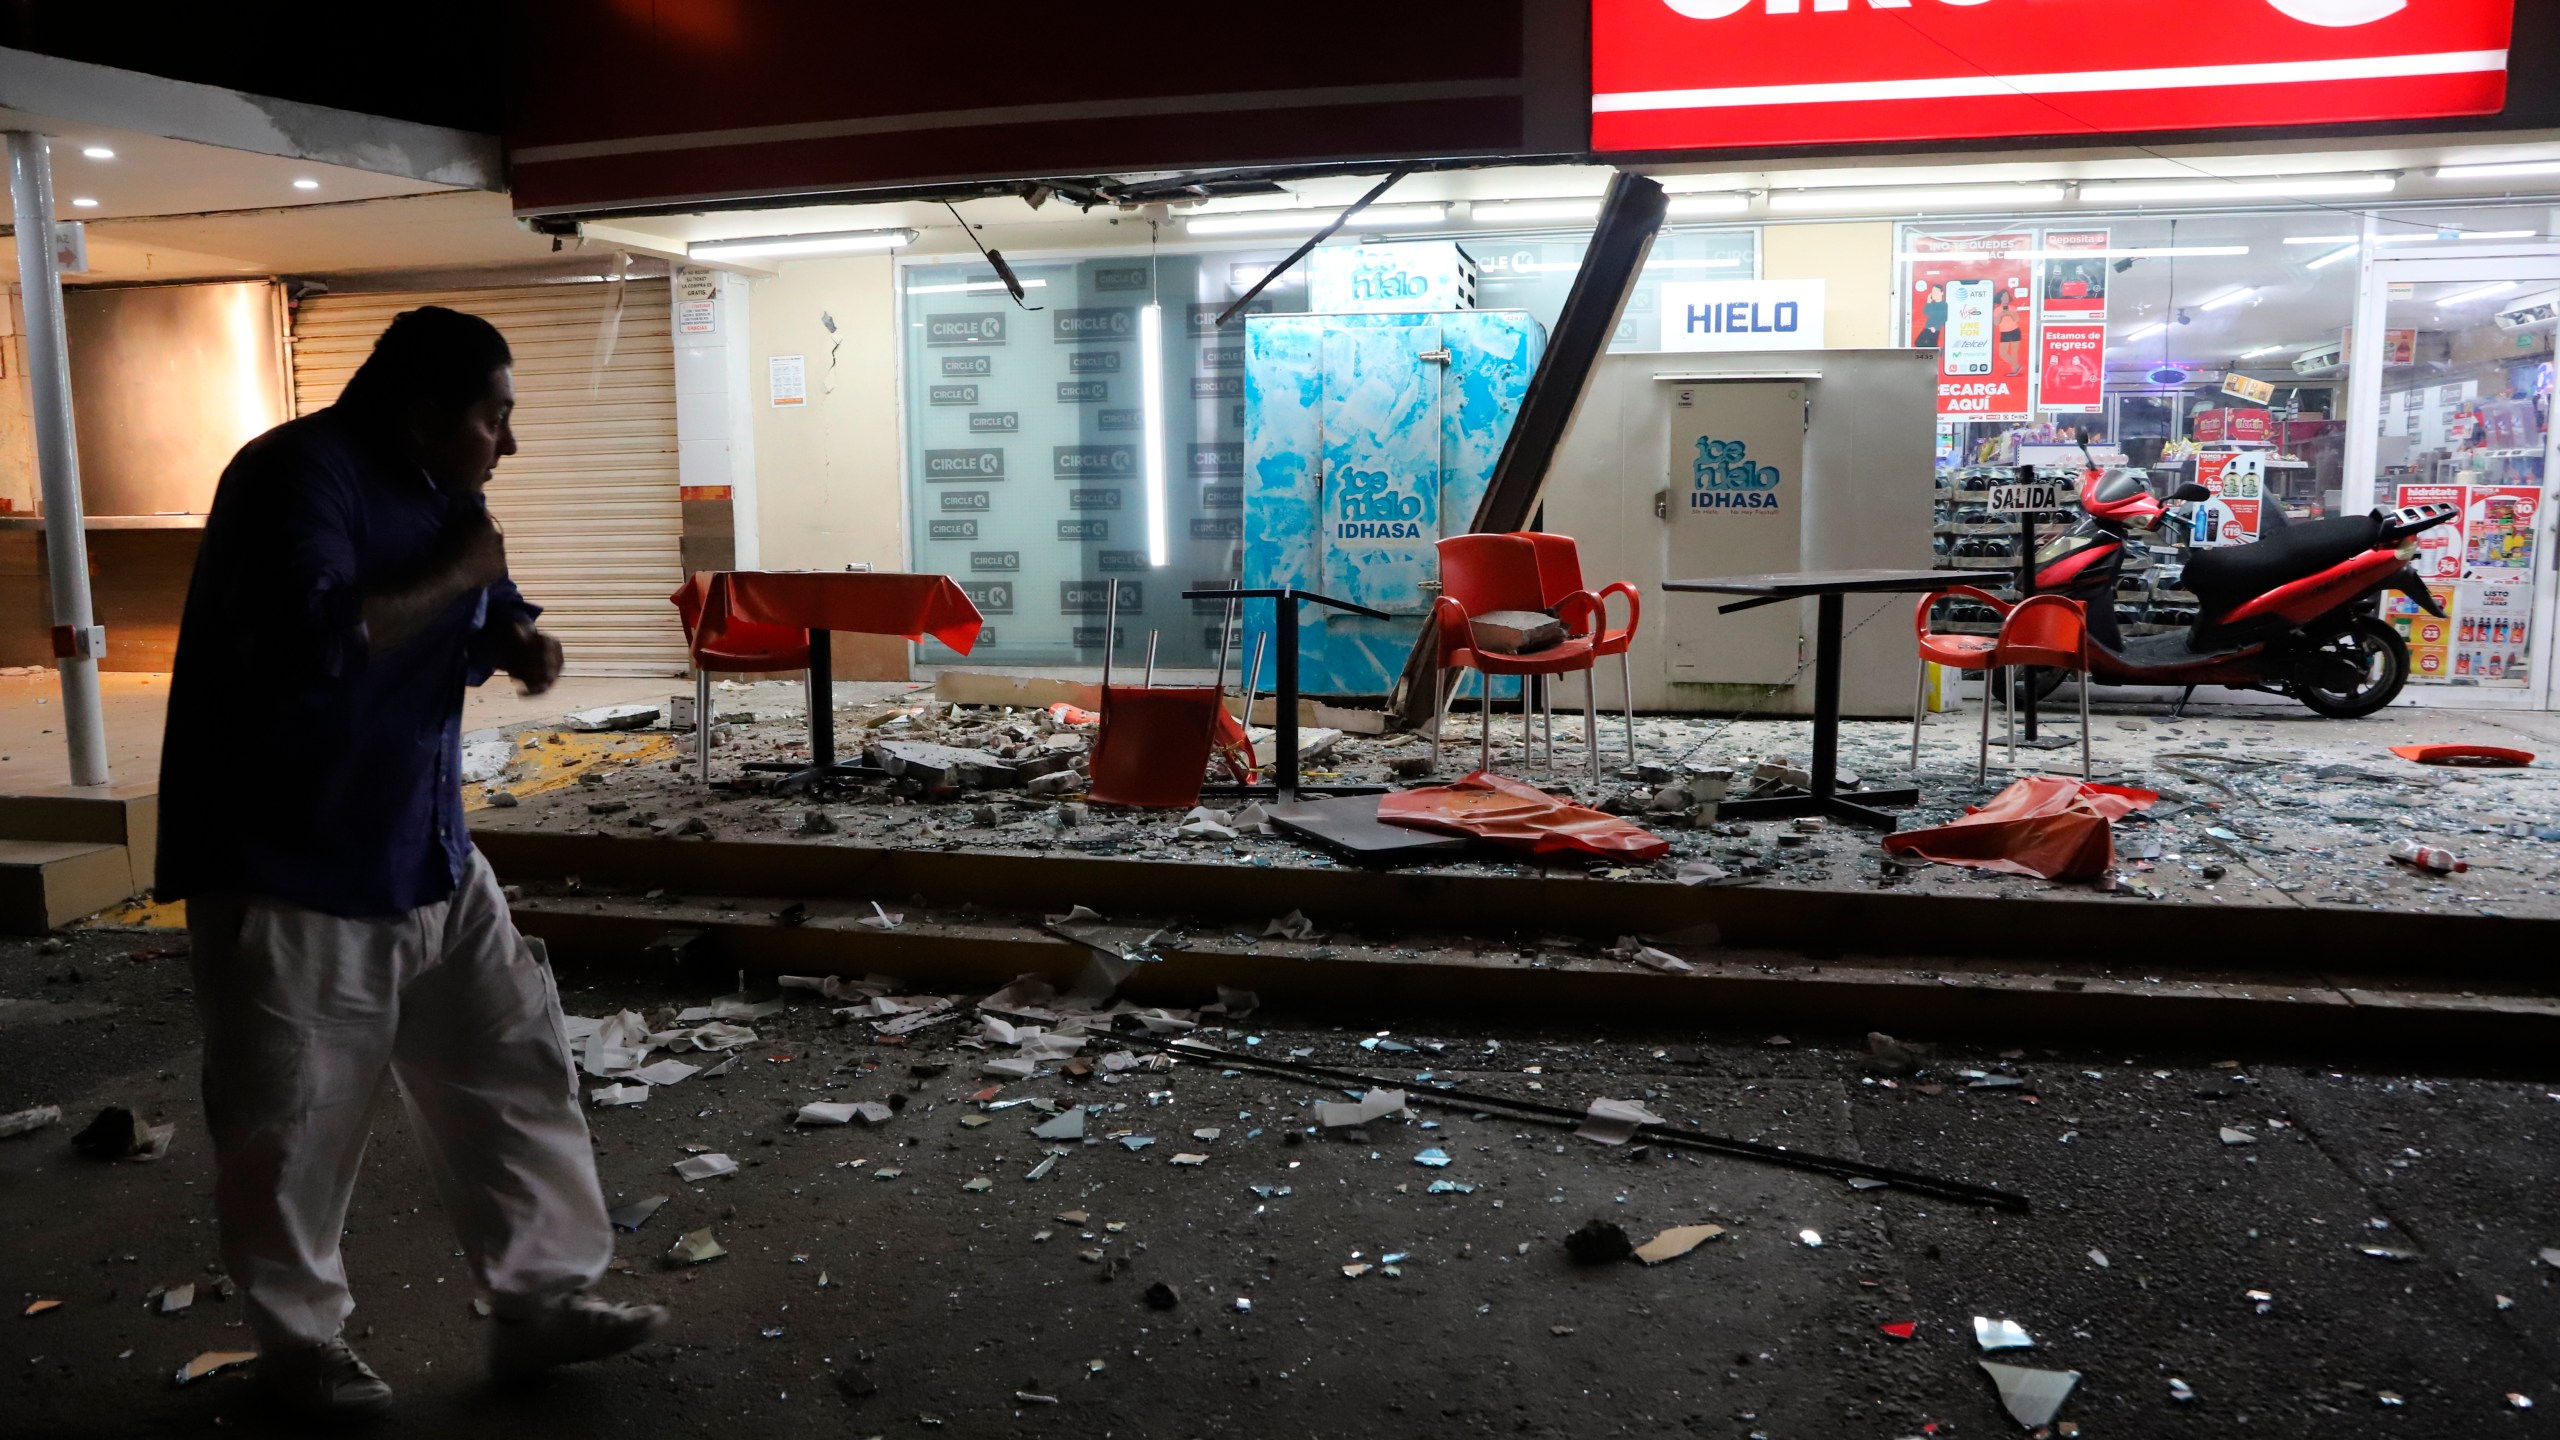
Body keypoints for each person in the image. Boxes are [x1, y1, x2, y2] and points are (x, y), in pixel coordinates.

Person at [157, 306, 667, 1419]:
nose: (510, 444)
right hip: (296, 865)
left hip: (426, 847)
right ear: (424, 413)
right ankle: (302, 1354)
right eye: (497, 418)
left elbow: (482, 603)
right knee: (293, 1124)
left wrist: (513, 638)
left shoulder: (447, 487)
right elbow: (318, 641)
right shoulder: (295, 480)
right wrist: (454, 582)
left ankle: (541, 1306)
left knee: (513, 1069)